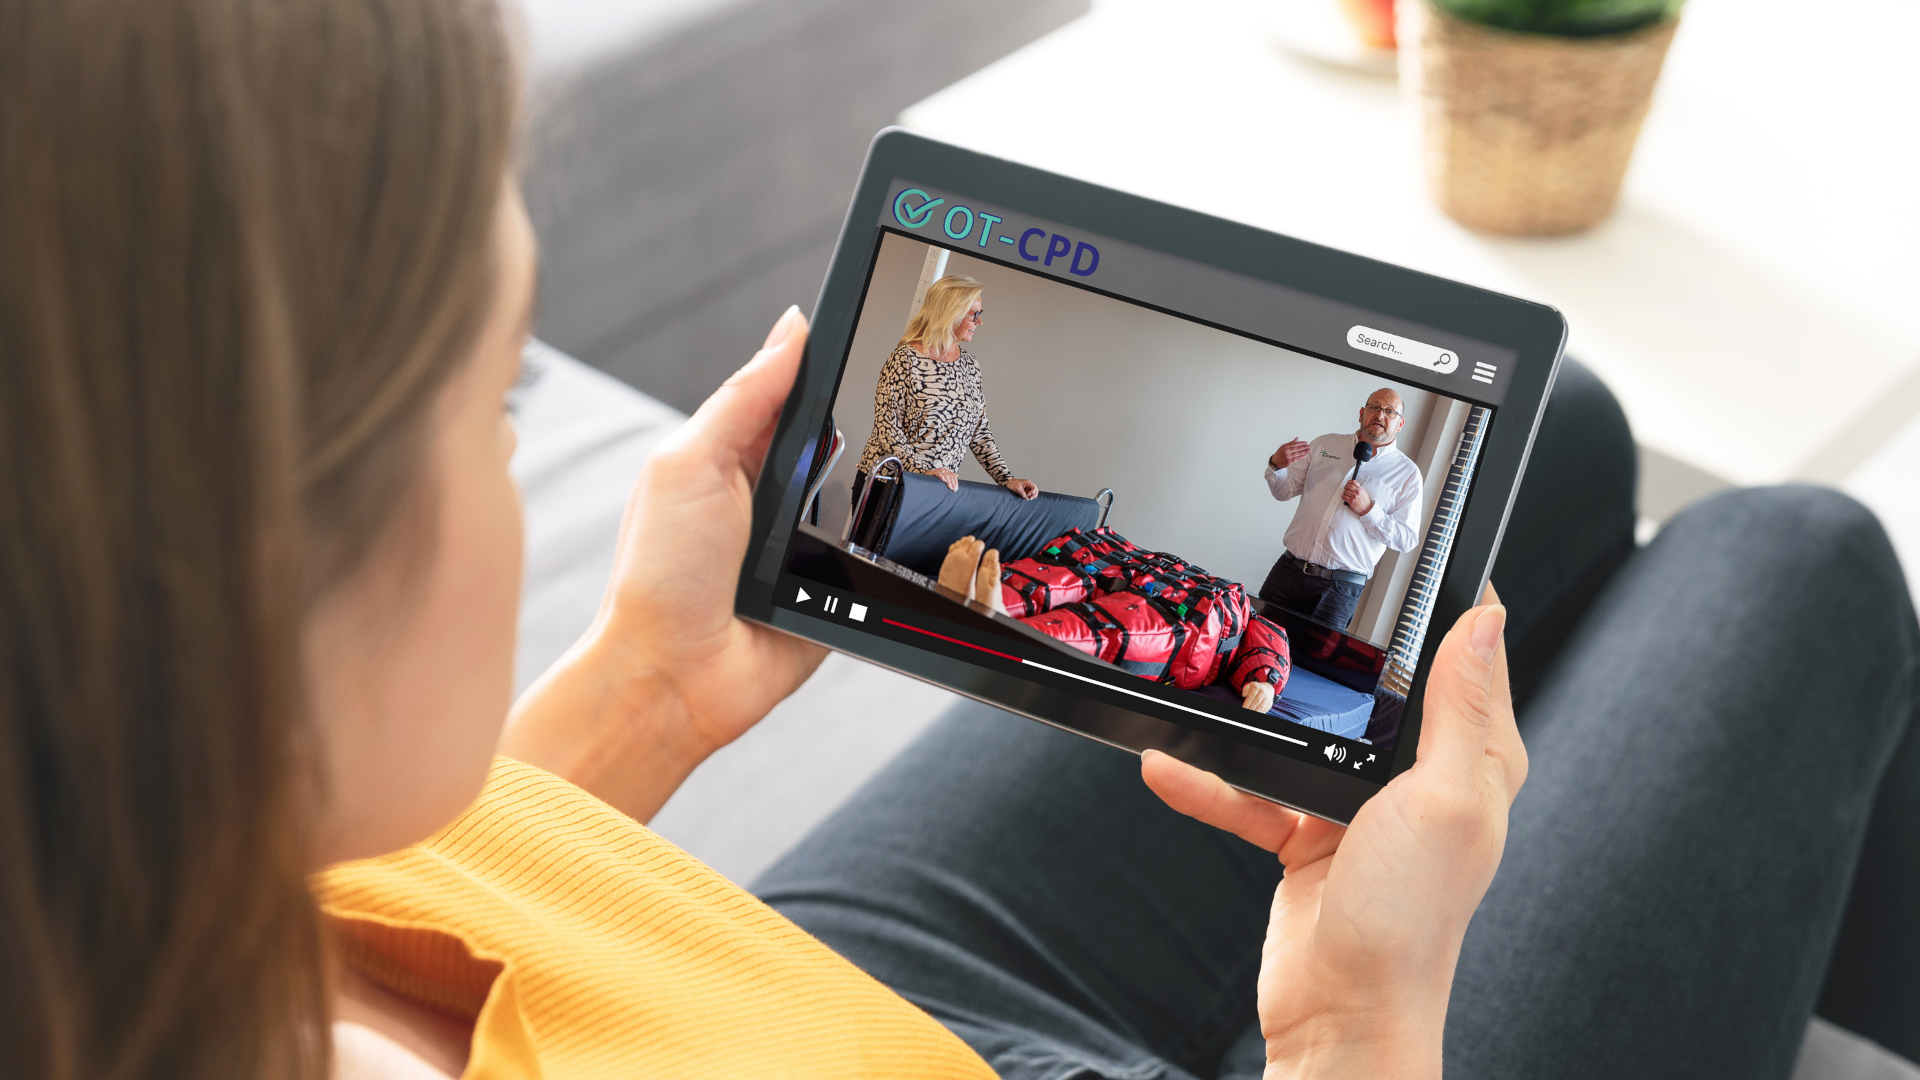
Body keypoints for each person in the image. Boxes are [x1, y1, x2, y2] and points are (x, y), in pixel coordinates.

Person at [6, 4, 1918, 1080]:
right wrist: (1359, 1020)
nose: (515, 447)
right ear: (235, 588)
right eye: (488, 390)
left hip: (757, 986)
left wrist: (645, 690)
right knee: (1800, 563)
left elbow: (405, 930)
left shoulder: (144, 906)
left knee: (1556, 429)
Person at [855, 274, 1039, 501]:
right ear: (951, 313)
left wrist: (1006, 478)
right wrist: (921, 472)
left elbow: (979, 432)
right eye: (974, 314)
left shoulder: (970, 365)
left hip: (935, 489)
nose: (980, 322)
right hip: (887, 483)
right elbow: (887, 429)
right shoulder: (905, 359)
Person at [1259, 388, 1425, 631]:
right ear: (1361, 413)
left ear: (1400, 424)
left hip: (1339, 591)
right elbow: (1283, 492)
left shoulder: (1407, 475)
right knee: (1257, 642)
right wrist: (1277, 466)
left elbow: (1406, 539)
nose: (1380, 415)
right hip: (1288, 572)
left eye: (1390, 411)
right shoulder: (1325, 444)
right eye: (1374, 407)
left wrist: (1368, 510)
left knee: (1314, 656)